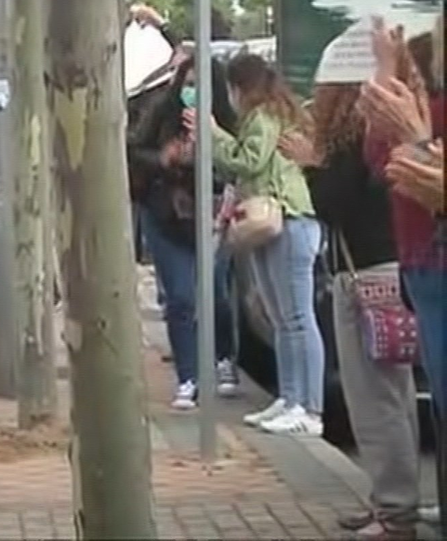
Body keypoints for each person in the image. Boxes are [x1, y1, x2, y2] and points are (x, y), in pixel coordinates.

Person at [279, 79, 423, 538]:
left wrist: (310, 165)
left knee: (374, 400)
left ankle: (395, 508)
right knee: (395, 396)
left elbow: (333, 205)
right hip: (387, 267)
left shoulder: (351, 143)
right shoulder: (380, 136)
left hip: (363, 275)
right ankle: (393, 500)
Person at [200, 52, 323, 435]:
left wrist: (214, 135)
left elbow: (249, 161)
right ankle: (290, 397)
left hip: (288, 219)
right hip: (275, 221)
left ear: (238, 88)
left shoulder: (263, 117)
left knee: (297, 318)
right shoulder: (273, 114)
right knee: (282, 319)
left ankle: (309, 407)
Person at [359, 18, 445, 526]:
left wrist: (415, 136)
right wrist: (387, 68)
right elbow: (379, 158)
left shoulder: (433, 111)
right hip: (419, 262)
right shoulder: (421, 105)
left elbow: (416, 167)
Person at [129, 56, 241, 409]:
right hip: (166, 216)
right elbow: (135, 151)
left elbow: (239, 166)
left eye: (201, 85)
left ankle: (223, 357)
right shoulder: (161, 114)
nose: (193, 92)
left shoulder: (227, 123)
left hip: (213, 218)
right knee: (179, 297)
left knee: (215, 294)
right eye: (188, 84)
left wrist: (210, 145)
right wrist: (165, 158)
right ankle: (188, 376)